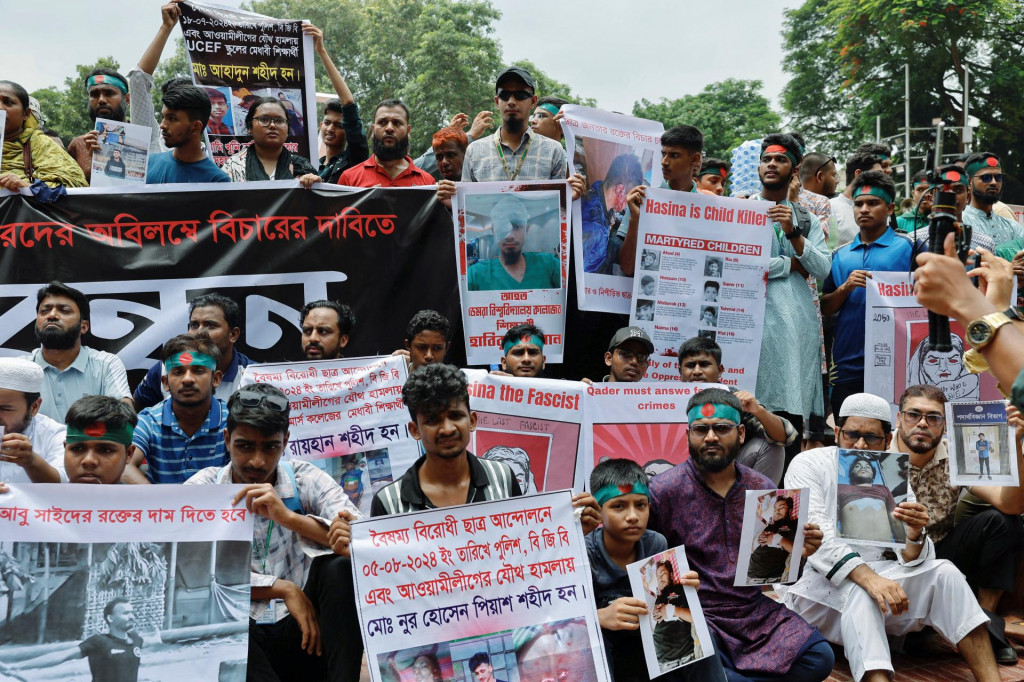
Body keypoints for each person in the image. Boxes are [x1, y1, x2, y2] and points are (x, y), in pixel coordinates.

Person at [782, 392, 1000, 682]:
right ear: (837, 433)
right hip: (816, 587)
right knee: (861, 592)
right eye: (851, 435)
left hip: (884, 578)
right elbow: (816, 535)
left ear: (887, 441)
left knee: (945, 572)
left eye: (871, 438)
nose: (860, 444)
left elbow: (911, 556)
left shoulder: (889, 471)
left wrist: (914, 534)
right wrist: (871, 580)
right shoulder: (808, 463)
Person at [648, 388, 833, 681]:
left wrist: (799, 552)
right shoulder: (663, 491)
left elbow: (776, 574)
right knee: (689, 658)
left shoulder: (761, 487)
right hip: (698, 613)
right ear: (688, 437)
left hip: (750, 610)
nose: (711, 437)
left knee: (819, 658)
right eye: (701, 429)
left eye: (722, 428)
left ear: (741, 434)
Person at [186, 383, 364, 682]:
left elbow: (362, 538)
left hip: (308, 634)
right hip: (243, 631)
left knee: (340, 568)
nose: (257, 461)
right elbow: (193, 571)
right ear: (227, 439)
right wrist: (282, 588)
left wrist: (288, 517)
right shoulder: (201, 490)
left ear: (285, 442)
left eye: (270, 447)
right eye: (245, 446)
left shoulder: (306, 478)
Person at [891, 384, 1024, 663]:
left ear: (944, 424)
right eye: (914, 414)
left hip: (940, 554)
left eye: (934, 417)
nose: (923, 423)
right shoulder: (878, 451)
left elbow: (1012, 504)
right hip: (891, 559)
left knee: (1002, 522)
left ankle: (984, 624)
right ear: (899, 418)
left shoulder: (957, 454)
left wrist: (1015, 445)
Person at [587, 459, 712, 682]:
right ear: (598, 510)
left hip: (650, 650)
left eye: (641, 505)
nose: (633, 515)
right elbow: (556, 620)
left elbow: (667, 605)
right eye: (618, 506)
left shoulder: (657, 544)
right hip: (606, 654)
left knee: (702, 631)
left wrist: (686, 593)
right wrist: (598, 618)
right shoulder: (583, 554)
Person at [347, 363, 522, 517]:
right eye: (432, 420)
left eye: (455, 416)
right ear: (415, 430)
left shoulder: (502, 478)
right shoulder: (389, 503)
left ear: (472, 421)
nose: (447, 429)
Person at [752, 134, 832, 449]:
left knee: (790, 426)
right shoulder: (740, 209)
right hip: (753, 328)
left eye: (780, 159)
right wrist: (789, 263)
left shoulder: (805, 218)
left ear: (795, 169)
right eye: (767, 159)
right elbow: (736, 263)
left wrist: (794, 234)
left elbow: (823, 269)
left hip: (796, 334)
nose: (771, 165)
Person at [821, 171, 913, 416]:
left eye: (873, 203)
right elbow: (824, 307)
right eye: (859, 204)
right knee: (848, 434)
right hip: (847, 362)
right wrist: (845, 288)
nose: (864, 209)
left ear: (890, 208)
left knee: (892, 435)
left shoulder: (908, 248)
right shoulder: (840, 255)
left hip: (898, 362)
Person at [677, 336, 798, 485]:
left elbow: (784, 437)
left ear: (720, 370)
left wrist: (758, 410)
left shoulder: (735, 397)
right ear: (680, 371)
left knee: (772, 446)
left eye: (704, 364)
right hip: (676, 474)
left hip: (725, 471)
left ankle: (756, 505)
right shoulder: (662, 399)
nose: (696, 371)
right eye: (690, 365)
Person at [132, 334, 227, 484]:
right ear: (165, 382)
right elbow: (124, 465)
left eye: (198, 371)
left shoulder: (232, 420)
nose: (187, 379)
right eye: (177, 372)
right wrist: (159, 504)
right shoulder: (149, 420)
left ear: (215, 379)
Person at [30, 282, 131, 422]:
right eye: (44, 311)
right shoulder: (19, 368)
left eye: (64, 310)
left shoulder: (105, 364)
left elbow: (124, 419)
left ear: (83, 326)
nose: (52, 315)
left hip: (88, 444)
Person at [133, 293, 251, 410]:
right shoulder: (167, 367)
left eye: (210, 325)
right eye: (194, 325)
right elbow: (135, 413)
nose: (199, 332)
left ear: (233, 334)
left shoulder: (251, 375)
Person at [620, 125, 709, 276]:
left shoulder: (708, 208)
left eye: (674, 155)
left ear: (695, 159)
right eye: (663, 154)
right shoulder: (642, 199)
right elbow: (627, 268)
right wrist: (635, 219)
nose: (664, 162)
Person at [456, 66, 566, 183]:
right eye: (504, 95)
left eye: (520, 95)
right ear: (497, 101)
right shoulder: (474, 150)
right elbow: (467, 200)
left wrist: (572, 194)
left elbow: (560, 200)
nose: (511, 102)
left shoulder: (553, 150)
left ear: (533, 101)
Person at [10, 596, 143, 681]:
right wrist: (17, 666)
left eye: (132, 612)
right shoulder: (99, 642)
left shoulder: (136, 640)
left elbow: (154, 640)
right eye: (126, 613)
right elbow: (62, 655)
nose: (131, 616)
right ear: (110, 618)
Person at [303, 25, 369, 183]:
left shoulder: (354, 160)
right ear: (321, 125)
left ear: (348, 131)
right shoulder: (310, 166)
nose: (330, 129)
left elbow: (348, 103)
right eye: (327, 123)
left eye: (339, 125)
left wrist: (321, 52)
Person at [0, 80, 87, 190]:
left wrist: (27, 187)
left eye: (7, 102)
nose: (0, 108)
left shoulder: (41, 144)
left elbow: (75, 186)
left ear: (26, 114)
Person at [467, 194, 560, 291]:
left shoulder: (550, 265)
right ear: (494, 232)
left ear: (526, 230)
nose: (509, 236)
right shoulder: (475, 275)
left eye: (516, 227)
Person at [221, 96, 319, 185]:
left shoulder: (301, 167)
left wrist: (311, 183)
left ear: (288, 129)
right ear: (250, 127)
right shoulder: (233, 166)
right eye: (264, 119)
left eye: (279, 121)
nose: (272, 125)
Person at [338, 99, 433, 187]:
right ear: (373, 129)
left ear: (408, 131)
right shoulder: (348, 178)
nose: (389, 128)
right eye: (383, 122)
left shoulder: (427, 183)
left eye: (397, 123)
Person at [146, 85, 230, 183]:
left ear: (196, 127)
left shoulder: (216, 180)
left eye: (172, 118)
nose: (162, 125)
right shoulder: (149, 163)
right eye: (163, 117)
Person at [0, 358, 64, 484]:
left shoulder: (55, 435)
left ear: (34, 407)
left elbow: (65, 485)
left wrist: (31, 461)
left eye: (4, 409)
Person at [580, 152, 645, 274]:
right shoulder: (595, 230)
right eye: (629, 196)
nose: (628, 204)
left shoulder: (598, 190)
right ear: (620, 190)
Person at [67, 68, 131, 182]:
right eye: (94, 94)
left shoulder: (145, 140)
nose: (101, 100)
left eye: (109, 93)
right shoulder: (78, 145)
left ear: (127, 99)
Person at [63, 395, 142, 485]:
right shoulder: (48, 498)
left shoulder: (136, 499)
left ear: (129, 454)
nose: (89, 460)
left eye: (105, 450)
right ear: (65, 449)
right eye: (77, 449)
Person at [836, 453, 905, 543]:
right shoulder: (841, 488)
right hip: (853, 549)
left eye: (867, 467)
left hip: (884, 550)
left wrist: (904, 547)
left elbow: (896, 521)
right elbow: (831, 522)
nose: (863, 468)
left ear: (873, 474)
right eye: (857, 466)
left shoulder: (883, 489)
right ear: (852, 474)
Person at [962, 152, 1023, 245]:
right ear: (969, 182)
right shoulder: (960, 223)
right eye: (986, 177)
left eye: (998, 177)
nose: (994, 182)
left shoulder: (1013, 227)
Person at [830, 152, 883, 247]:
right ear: (859, 174)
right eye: (877, 175)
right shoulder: (830, 207)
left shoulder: (880, 209)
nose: (882, 180)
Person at [747, 496, 798, 583]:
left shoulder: (795, 524)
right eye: (775, 509)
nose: (777, 511)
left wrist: (777, 539)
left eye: (781, 508)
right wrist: (761, 539)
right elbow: (760, 542)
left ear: (790, 510)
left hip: (771, 578)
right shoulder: (771, 525)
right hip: (750, 574)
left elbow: (796, 549)